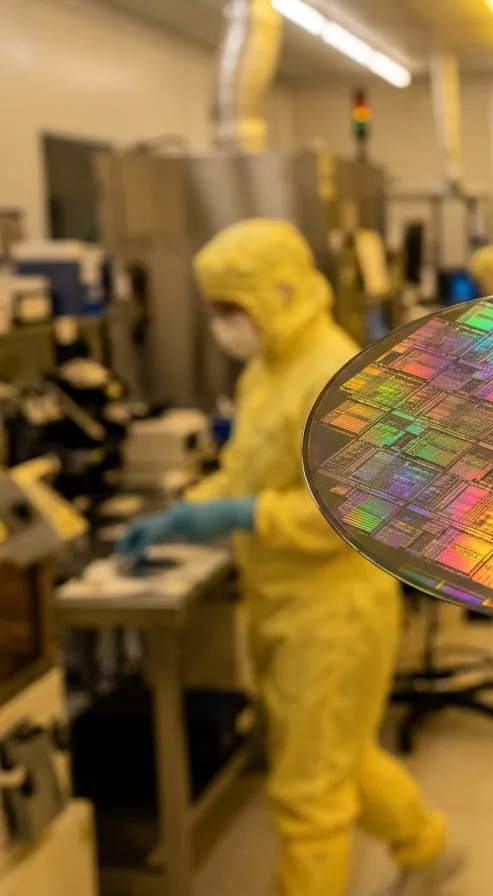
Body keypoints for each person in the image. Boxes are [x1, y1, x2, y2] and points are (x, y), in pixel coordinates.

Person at [118, 220, 460, 896]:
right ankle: (427, 845)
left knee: (306, 795)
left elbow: (357, 504)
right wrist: (188, 508)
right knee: (335, 756)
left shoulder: (332, 372)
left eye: (228, 309)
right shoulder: (265, 372)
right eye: (215, 311)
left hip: (332, 611)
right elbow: (247, 473)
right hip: (281, 599)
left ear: (274, 294)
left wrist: (241, 515)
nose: (222, 325)